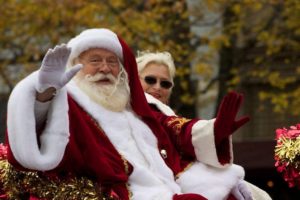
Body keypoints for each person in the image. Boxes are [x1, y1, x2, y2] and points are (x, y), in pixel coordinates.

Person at [0, 28, 251, 200]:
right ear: (75, 64)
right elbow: (40, 132)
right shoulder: (69, 99)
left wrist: (214, 129)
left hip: (170, 188)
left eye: (112, 61)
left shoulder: (134, 104)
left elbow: (172, 129)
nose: (105, 68)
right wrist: (44, 93)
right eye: (95, 60)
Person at [136, 50, 273, 200]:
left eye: (165, 83)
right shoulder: (141, 112)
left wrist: (216, 132)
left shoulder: (161, 113)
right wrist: (213, 130)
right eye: (150, 80)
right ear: (134, 80)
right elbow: (179, 129)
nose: (158, 87)